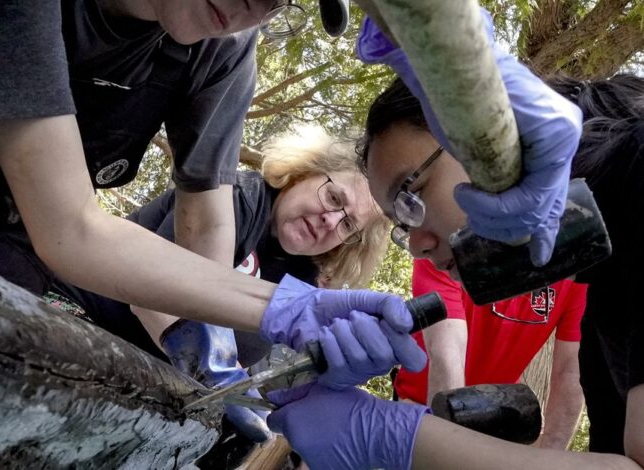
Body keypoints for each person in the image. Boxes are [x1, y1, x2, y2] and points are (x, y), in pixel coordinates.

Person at [0, 0, 426, 426]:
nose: (255, 6)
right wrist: (286, 307)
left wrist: (211, 342)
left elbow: (205, 221)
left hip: (10, 225)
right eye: (333, 200)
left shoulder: (223, 46)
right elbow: (71, 225)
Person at [265, 67, 644, 470]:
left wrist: (402, 439)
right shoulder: (606, 280)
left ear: (491, 128)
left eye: (411, 193)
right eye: (402, 224)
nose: (416, 244)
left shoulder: (638, 164)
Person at [46, 126, 392, 442]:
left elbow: (247, 365)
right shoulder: (235, 199)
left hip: (143, 389)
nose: (330, 220)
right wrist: (222, 381)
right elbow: (153, 300)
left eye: (347, 225)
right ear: (303, 173)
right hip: (73, 321)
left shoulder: (302, 281)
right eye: (333, 199)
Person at [394, 259, 587, 449]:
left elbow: (570, 372)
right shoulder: (443, 250)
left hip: (495, 420)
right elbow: (447, 357)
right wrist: (445, 452)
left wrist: (550, 454)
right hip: (420, 410)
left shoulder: (576, 272)